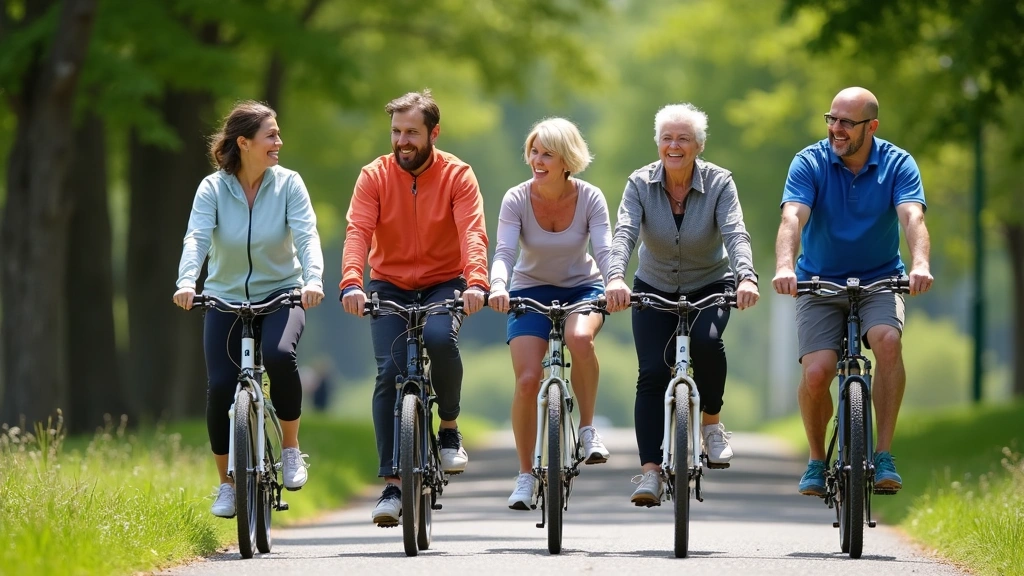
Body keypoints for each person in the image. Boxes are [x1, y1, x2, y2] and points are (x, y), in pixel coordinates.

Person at [772, 87, 933, 496]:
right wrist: (785, 266)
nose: (836, 129)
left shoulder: (897, 163)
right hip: (819, 281)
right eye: (832, 119)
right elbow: (793, 216)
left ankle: (883, 455)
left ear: (871, 126)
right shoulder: (809, 162)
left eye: (846, 122)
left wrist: (920, 264)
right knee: (817, 372)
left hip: (880, 279)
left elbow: (912, 215)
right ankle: (814, 459)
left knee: (888, 341)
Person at [340, 90, 488, 527]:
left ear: (433, 134)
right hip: (390, 283)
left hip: (446, 281)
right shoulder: (374, 175)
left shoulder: (458, 175)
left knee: (441, 338)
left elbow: (472, 233)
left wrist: (477, 281)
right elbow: (358, 231)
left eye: (411, 133)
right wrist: (352, 281)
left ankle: (448, 427)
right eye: (396, 132)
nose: (402, 141)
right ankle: (391, 483)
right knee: (389, 372)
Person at [172, 100, 325, 518]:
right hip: (224, 297)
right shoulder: (213, 189)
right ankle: (226, 484)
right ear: (244, 142)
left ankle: (291, 450)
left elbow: (308, 236)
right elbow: (197, 238)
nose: (279, 141)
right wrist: (188, 281)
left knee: (278, 355)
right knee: (220, 386)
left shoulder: (289, 184)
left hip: (282, 293)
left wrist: (313, 280)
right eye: (270, 135)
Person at [605, 103, 759, 507]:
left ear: (699, 146)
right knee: (653, 372)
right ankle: (651, 473)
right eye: (667, 139)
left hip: (709, 283)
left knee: (707, 344)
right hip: (653, 286)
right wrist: (615, 277)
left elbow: (735, 232)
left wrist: (746, 276)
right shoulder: (639, 183)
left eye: (684, 139)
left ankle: (711, 424)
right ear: (658, 144)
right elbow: (623, 233)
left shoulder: (720, 182)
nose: (674, 146)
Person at [488, 117, 614, 510]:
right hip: (529, 288)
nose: (537, 160)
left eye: (547, 153)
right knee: (527, 379)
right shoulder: (516, 198)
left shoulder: (590, 197)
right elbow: (505, 252)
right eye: (533, 151)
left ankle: (589, 429)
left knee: (579, 338)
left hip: (583, 286)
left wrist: (615, 282)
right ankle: (525, 475)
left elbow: (607, 249)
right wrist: (497, 285)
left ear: (567, 160)